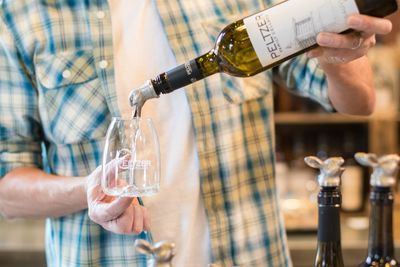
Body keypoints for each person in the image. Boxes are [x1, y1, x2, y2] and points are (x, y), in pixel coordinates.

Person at [0, 0, 394, 266]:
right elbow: (6, 189)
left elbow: (359, 101)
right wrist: (88, 190)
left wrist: (341, 57)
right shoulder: (22, 13)